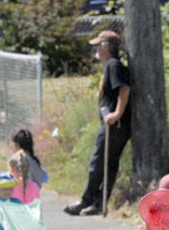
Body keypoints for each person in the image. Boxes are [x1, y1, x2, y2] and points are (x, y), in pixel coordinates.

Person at [65, 30, 130, 216]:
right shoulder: (110, 65)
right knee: (106, 165)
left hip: (114, 125)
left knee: (98, 163)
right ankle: (97, 203)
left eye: (98, 46)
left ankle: (87, 200)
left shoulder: (114, 65)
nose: (96, 50)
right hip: (112, 124)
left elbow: (124, 88)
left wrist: (116, 113)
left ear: (107, 46)